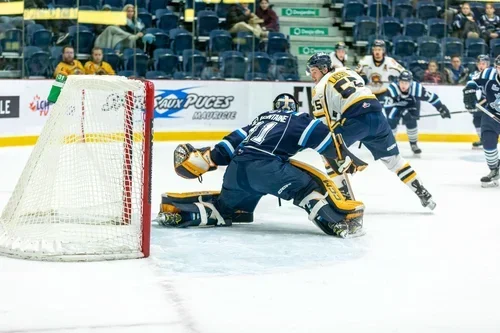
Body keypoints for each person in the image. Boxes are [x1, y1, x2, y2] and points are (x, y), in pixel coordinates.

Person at [158, 94, 366, 238]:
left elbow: (227, 147)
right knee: (307, 188)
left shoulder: (260, 119)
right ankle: (335, 223)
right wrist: (346, 158)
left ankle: (182, 214)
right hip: (267, 169)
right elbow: (326, 142)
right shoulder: (298, 119)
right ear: (294, 108)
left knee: (224, 209)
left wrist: (209, 159)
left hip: (236, 172)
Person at [307, 52, 436, 210]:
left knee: (327, 152)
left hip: (356, 120)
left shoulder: (319, 88)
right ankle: (423, 193)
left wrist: (331, 144)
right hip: (378, 117)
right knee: (395, 161)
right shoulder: (349, 71)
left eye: (314, 71)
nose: (312, 76)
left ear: (324, 69)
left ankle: (344, 201)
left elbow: (324, 125)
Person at [385, 70, 451, 155]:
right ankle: (389, 145)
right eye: (402, 82)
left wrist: (441, 108)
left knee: (411, 122)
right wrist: (402, 112)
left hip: (412, 105)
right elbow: (387, 108)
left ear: (411, 82)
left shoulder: (417, 89)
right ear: (398, 81)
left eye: (406, 83)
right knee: (391, 121)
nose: (403, 85)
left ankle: (414, 144)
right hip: (395, 107)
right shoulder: (392, 89)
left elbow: (432, 98)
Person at [463, 55, 500, 187]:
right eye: (499, 67)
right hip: (491, 114)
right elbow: (472, 82)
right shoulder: (487, 73)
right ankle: (494, 170)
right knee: (488, 142)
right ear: (496, 68)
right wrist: (469, 92)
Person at [355, 39, 406, 105]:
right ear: (372, 50)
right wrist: (362, 76)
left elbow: (404, 72)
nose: (377, 52)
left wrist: (396, 82)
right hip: (367, 94)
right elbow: (355, 74)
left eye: (379, 50)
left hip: (384, 94)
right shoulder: (365, 60)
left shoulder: (390, 62)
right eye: (375, 50)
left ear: (383, 51)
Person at [468, 54, 490, 149]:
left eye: (483, 63)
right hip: (482, 101)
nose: (481, 66)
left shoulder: (493, 74)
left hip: (493, 101)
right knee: (477, 118)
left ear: (487, 64)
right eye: (479, 63)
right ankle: (483, 139)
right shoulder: (473, 75)